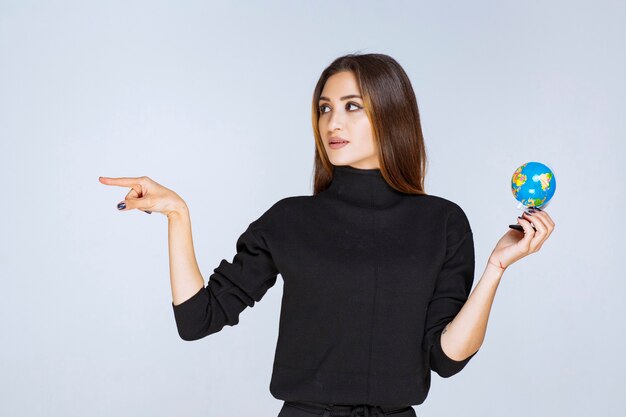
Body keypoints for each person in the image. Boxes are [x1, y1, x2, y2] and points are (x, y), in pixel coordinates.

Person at [99, 53, 555, 417]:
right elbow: (197, 320)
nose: (333, 123)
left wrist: (496, 268)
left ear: (392, 114)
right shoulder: (289, 220)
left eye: (352, 106)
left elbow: (447, 358)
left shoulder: (443, 222)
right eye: (324, 109)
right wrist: (178, 214)